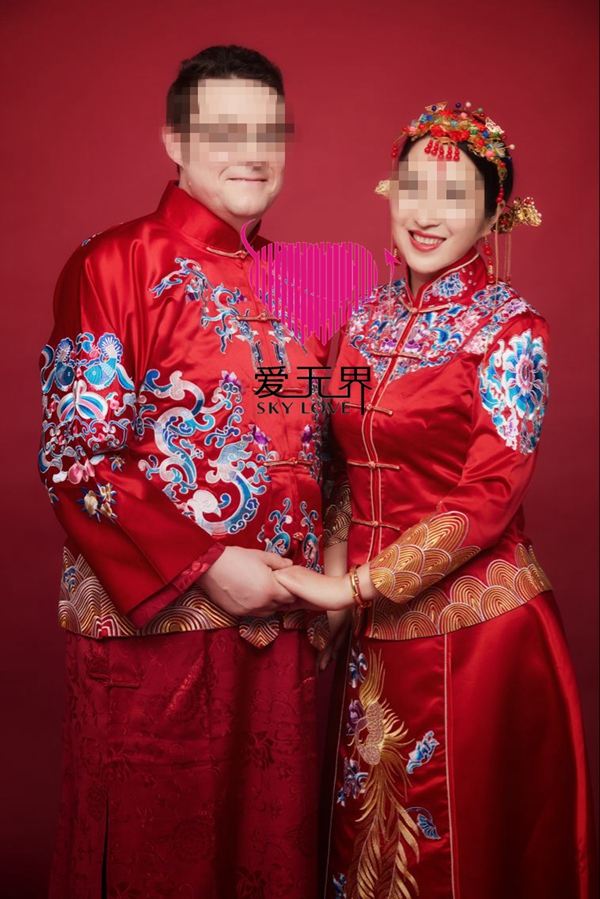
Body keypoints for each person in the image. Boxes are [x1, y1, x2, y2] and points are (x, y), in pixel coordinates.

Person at [274, 102, 597, 898]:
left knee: (464, 856)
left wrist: (351, 586)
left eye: (455, 196)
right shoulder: (362, 320)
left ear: (494, 214)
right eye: (413, 187)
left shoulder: (512, 331)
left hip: (478, 636)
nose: (426, 212)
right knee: (369, 850)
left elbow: (489, 497)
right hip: (370, 628)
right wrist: (338, 580)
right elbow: (339, 461)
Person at [40, 45, 329, 899]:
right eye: (224, 131)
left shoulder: (309, 283)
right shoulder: (114, 263)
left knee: (273, 860)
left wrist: (341, 574)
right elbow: (76, 460)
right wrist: (208, 566)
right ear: (174, 140)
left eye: (268, 132)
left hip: (286, 635)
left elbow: (341, 442)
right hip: (160, 639)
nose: (252, 153)